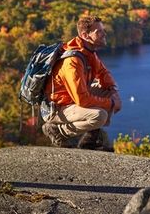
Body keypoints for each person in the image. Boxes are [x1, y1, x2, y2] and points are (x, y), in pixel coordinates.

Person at [41, 15, 122, 150]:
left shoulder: (88, 52)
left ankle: (90, 138)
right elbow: (82, 100)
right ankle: (58, 131)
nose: (104, 34)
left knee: (107, 91)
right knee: (99, 116)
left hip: (71, 100)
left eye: (103, 30)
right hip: (58, 108)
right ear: (85, 35)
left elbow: (103, 73)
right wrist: (112, 103)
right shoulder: (73, 61)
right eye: (99, 31)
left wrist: (114, 91)